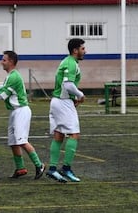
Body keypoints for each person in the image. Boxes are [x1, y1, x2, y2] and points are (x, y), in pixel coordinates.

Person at [0, 50, 46, 180]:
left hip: (21, 110)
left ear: (11, 62)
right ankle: (20, 168)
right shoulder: (11, 76)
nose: (2, 62)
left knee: (21, 139)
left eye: (4, 60)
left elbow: (2, 96)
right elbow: (3, 90)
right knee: (13, 141)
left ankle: (39, 164)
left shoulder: (13, 76)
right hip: (14, 111)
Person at [46, 38, 86, 183]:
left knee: (59, 135)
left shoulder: (66, 61)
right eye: (82, 48)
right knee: (74, 134)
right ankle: (66, 168)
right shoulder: (71, 63)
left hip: (57, 101)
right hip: (63, 103)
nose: (85, 51)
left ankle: (52, 169)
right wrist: (80, 95)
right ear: (75, 50)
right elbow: (68, 84)